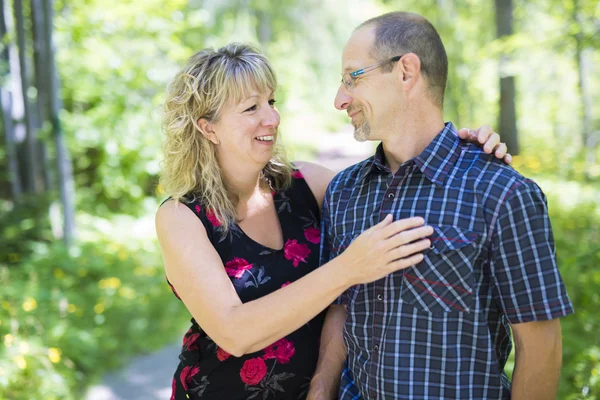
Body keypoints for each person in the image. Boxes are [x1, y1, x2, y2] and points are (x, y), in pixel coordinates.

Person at [155, 43, 511, 400]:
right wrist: (348, 268)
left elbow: (404, 194)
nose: (272, 119)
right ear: (208, 128)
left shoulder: (311, 185)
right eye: (251, 108)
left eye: (271, 102)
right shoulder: (181, 218)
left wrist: (465, 153)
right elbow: (235, 333)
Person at [307, 11, 574, 400]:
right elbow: (342, 308)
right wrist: (320, 390)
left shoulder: (502, 193)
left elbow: (540, 345)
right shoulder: (345, 191)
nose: (340, 99)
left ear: (406, 72)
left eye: (353, 77)